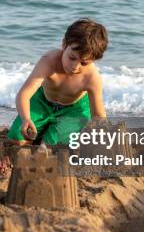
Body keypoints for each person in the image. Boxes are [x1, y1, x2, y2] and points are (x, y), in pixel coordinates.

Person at [7, 18, 108, 146]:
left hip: (74, 109)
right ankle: (40, 128)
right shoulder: (49, 61)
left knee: (51, 147)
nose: (75, 66)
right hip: (42, 101)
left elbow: (98, 115)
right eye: (72, 58)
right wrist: (26, 118)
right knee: (16, 139)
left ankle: (49, 134)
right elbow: (24, 94)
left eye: (84, 62)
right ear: (64, 45)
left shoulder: (92, 78)